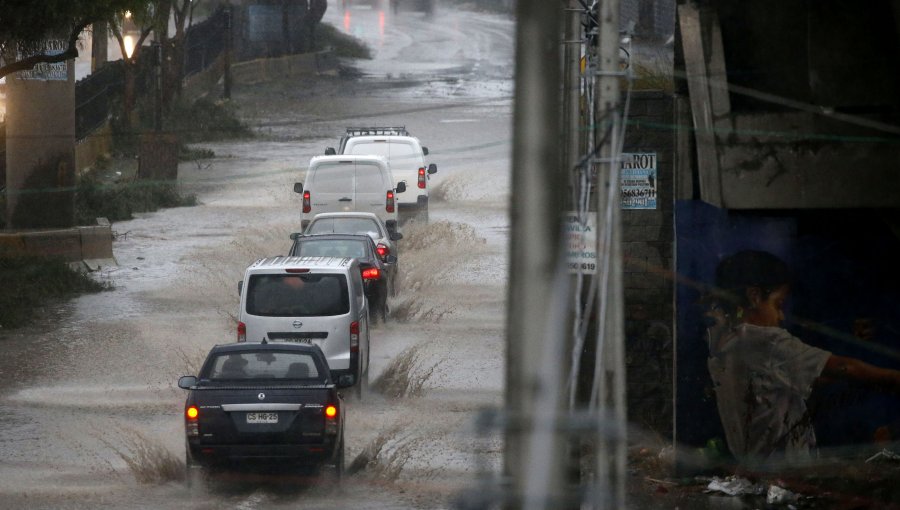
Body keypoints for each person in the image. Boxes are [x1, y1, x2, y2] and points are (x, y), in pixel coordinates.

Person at [704, 250, 900, 464]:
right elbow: (844, 368)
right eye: (778, 304)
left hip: (756, 467)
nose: (781, 316)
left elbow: (811, 375)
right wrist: (893, 377)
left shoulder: (726, 344)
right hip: (785, 471)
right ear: (754, 296)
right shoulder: (764, 340)